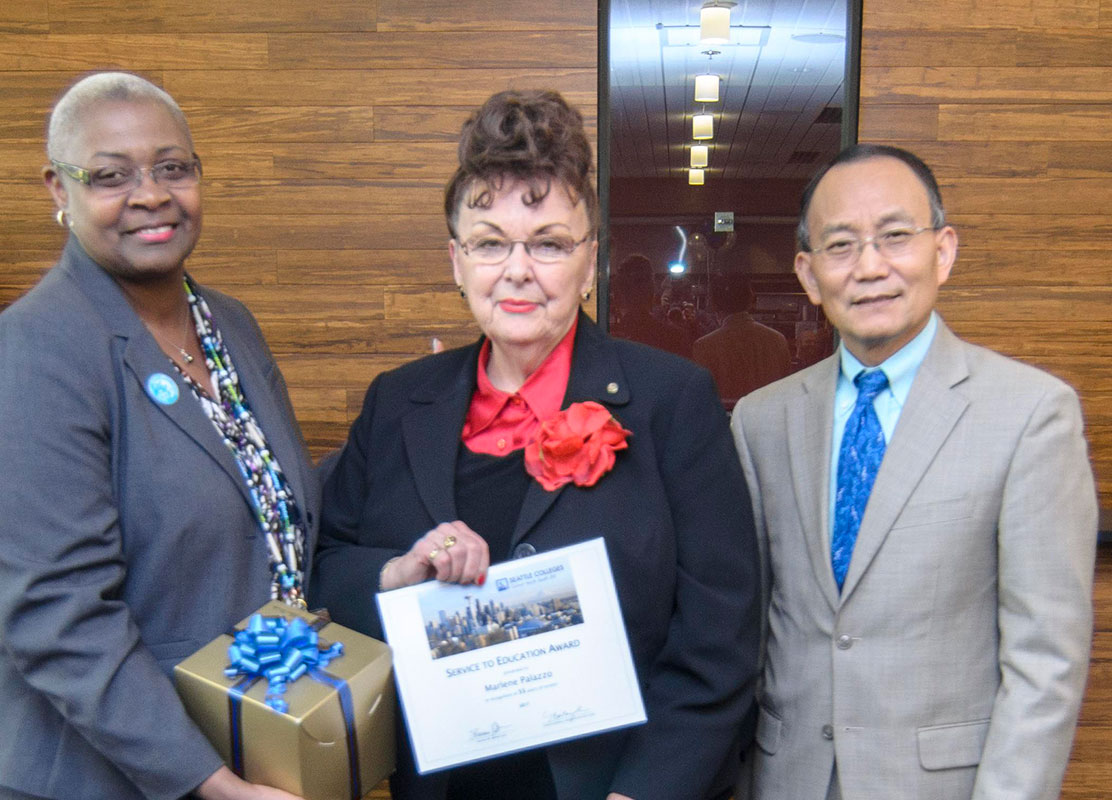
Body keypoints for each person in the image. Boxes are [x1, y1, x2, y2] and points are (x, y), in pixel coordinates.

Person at [312, 89, 758, 800]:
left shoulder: (674, 401)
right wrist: (396, 574)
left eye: (549, 242)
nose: (517, 270)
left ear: (590, 262)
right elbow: (324, 570)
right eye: (490, 243)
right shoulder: (399, 402)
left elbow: (721, 636)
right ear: (457, 260)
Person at [0, 72, 318, 800]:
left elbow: (267, 499)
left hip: (210, 736)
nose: (151, 194)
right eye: (111, 175)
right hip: (63, 769)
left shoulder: (229, 325)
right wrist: (214, 784)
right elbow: (59, 615)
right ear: (57, 189)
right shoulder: (31, 351)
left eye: (173, 167)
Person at [730, 144, 1098, 800]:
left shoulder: (1030, 415)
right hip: (787, 780)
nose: (870, 267)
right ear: (809, 276)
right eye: (841, 246)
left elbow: (1046, 662)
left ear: (943, 250)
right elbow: (752, 628)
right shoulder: (763, 421)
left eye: (896, 236)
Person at [692, 275, 790, 409]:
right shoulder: (778, 340)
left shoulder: (704, 346)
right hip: (769, 420)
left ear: (714, 303)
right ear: (750, 300)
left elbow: (701, 398)